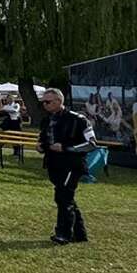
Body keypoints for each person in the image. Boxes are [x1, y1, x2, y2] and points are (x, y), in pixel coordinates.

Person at [38, 88, 95, 244]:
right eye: (43, 102)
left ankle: (63, 234)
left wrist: (66, 148)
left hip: (72, 164)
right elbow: (44, 138)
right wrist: (41, 146)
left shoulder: (78, 119)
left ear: (59, 101)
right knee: (65, 198)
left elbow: (91, 144)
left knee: (63, 196)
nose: (45, 105)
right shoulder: (46, 120)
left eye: (48, 102)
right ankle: (80, 234)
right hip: (53, 164)